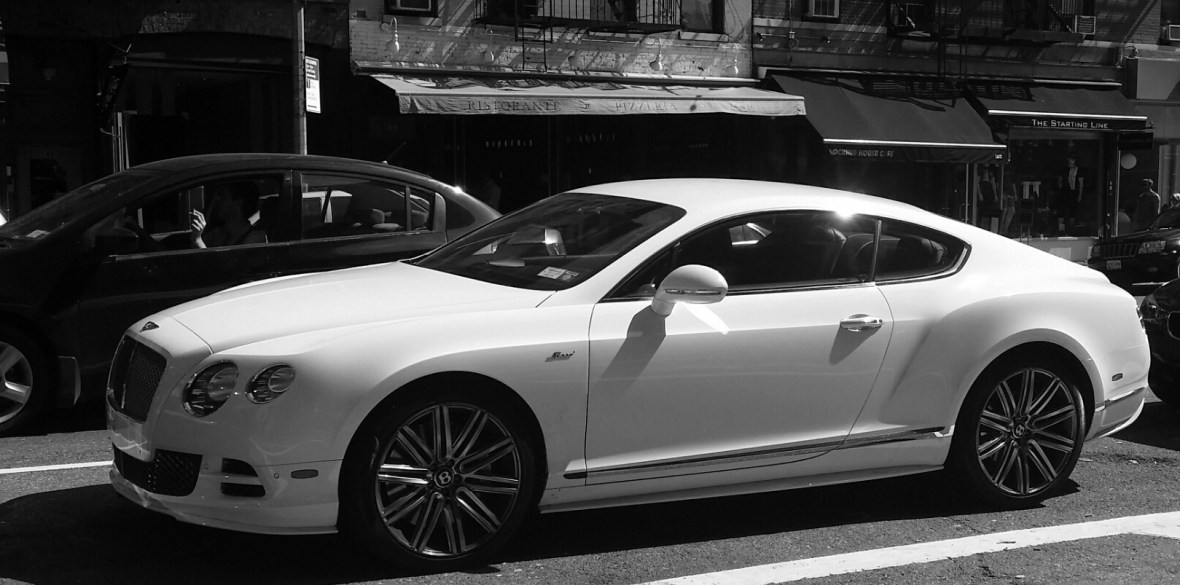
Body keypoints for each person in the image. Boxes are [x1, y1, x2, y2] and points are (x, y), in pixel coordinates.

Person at [190, 182, 266, 248]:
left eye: (223, 197)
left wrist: (198, 241)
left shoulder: (255, 238)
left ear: (238, 204)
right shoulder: (217, 234)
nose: (218, 201)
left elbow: (230, 265)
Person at [1056, 155, 1084, 230]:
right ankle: (1061, 229)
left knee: (1072, 211)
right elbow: (1060, 180)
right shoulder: (1064, 169)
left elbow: (1081, 183)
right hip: (1064, 192)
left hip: (1074, 193)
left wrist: (1080, 194)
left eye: (1072, 159)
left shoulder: (1078, 170)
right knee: (1061, 210)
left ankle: (1072, 229)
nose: (1071, 161)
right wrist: (1060, 185)